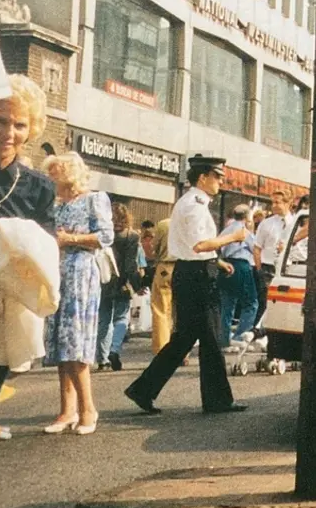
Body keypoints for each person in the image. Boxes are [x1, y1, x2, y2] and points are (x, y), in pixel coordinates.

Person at [124, 155, 250, 415]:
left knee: (184, 338)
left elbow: (200, 249)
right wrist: (233, 237)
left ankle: (143, 390)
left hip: (194, 271)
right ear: (202, 177)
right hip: (196, 276)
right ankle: (217, 400)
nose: (220, 181)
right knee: (211, 338)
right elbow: (199, 245)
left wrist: (217, 262)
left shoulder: (194, 202)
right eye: (217, 176)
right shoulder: (194, 205)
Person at [0, 75, 56, 440]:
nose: (10, 132)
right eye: (1, 121)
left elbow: (47, 239)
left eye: (20, 124)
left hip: (13, 286)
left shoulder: (38, 185)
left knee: (6, 353)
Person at [42, 153, 113, 435]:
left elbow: (105, 237)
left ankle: (88, 409)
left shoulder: (95, 199)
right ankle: (67, 410)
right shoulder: (57, 204)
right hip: (58, 273)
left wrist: (69, 238)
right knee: (61, 342)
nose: (50, 181)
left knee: (75, 341)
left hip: (81, 273)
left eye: (54, 175)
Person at [96, 203, 145, 372]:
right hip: (122, 282)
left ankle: (102, 359)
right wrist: (137, 285)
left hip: (103, 280)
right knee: (122, 318)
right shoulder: (131, 236)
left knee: (104, 319)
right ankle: (114, 350)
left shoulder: (101, 234)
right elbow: (131, 265)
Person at [218, 204, 259, 350]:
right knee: (251, 302)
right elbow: (256, 247)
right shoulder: (243, 231)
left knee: (227, 305)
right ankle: (240, 336)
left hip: (225, 265)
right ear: (247, 217)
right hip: (241, 266)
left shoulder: (226, 230)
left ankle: (224, 340)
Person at [253, 190, 292, 328]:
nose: (274, 205)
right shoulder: (266, 224)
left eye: (277, 202)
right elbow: (257, 248)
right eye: (272, 202)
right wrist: (259, 269)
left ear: (288, 203)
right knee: (266, 302)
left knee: (285, 303)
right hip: (268, 268)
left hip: (288, 268)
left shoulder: (295, 223)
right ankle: (259, 332)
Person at [149, 217, 174, 354]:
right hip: (186, 268)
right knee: (181, 311)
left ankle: (162, 350)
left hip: (165, 268)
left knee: (161, 310)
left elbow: (154, 248)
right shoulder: (190, 223)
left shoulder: (163, 224)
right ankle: (182, 352)